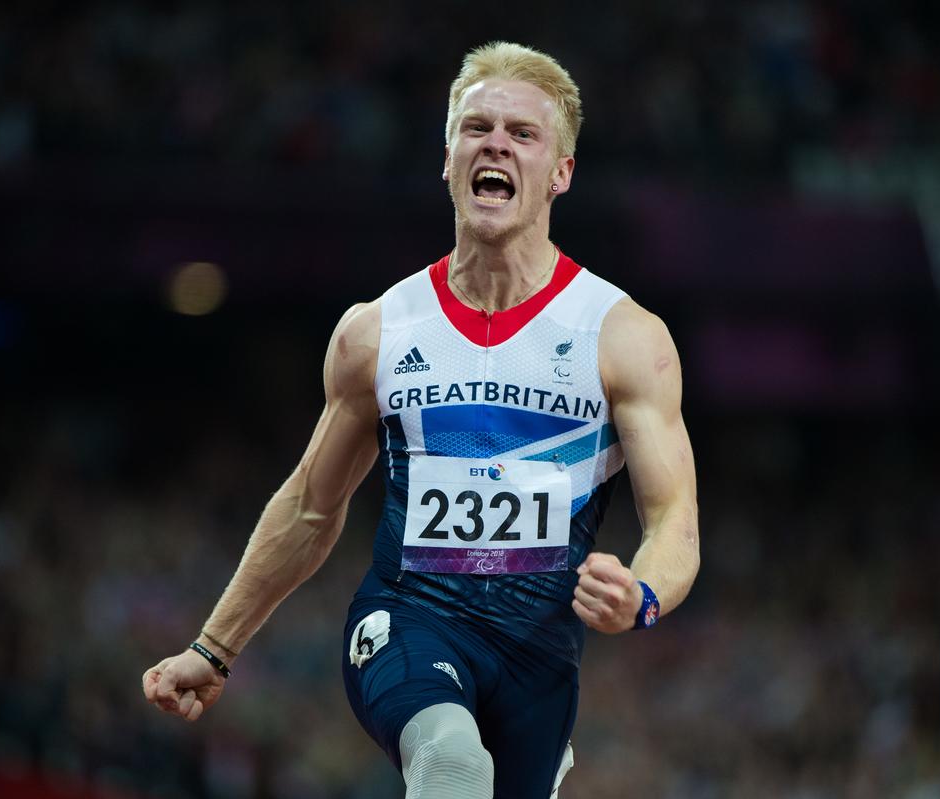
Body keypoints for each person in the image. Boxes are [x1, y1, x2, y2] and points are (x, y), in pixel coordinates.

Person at [142, 41, 699, 799]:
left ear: (560, 173)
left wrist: (642, 593)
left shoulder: (625, 337)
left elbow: (676, 522)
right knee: (452, 760)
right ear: (448, 158)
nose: (495, 142)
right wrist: (214, 647)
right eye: (477, 127)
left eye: (522, 134)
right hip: (409, 621)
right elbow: (310, 505)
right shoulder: (377, 331)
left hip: (538, 662)